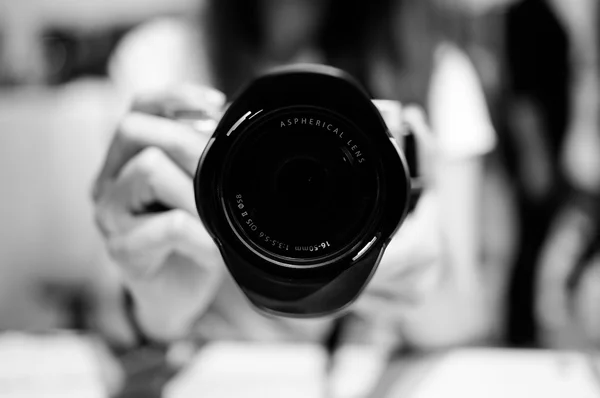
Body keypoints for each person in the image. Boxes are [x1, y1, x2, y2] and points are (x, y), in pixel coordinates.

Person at [93, 0, 506, 350]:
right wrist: (157, 309)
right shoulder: (162, 62)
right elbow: (107, 312)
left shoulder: (431, 68)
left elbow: (462, 320)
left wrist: (427, 279)